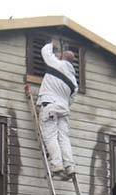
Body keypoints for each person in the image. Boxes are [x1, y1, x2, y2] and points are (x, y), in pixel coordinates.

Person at [37, 40, 79, 178]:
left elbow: (45, 52)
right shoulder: (74, 81)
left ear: (61, 57)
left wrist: (51, 44)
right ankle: (69, 165)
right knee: (64, 138)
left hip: (50, 104)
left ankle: (57, 164)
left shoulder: (55, 63)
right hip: (64, 108)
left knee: (50, 136)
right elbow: (71, 99)